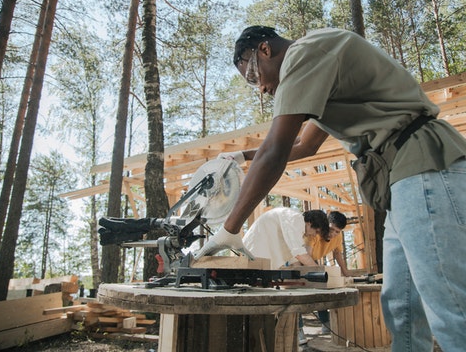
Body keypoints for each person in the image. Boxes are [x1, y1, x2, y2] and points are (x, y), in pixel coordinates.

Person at [194, 25, 466, 352]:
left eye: (254, 76)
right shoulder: (319, 74)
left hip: (424, 166)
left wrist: (229, 229)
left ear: (264, 49)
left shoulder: (306, 53)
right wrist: (243, 155)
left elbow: (275, 151)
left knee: (450, 305)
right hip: (401, 182)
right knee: (402, 307)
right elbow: (304, 145)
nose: (263, 87)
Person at [242, 207, 329, 269]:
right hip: (255, 248)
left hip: (260, 253)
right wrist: (318, 269)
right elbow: (299, 254)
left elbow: (293, 256)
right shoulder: (295, 219)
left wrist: (298, 270)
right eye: (316, 231)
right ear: (310, 223)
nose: (314, 235)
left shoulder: (297, 227)